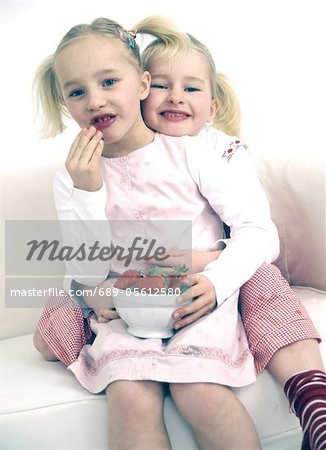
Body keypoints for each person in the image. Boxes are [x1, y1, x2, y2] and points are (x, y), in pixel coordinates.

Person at [31, 15, 283, 450]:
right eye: (76, 92)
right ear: (65, 105)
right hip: (127, 312)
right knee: (129, 396)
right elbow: (89, 274)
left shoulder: (190, 152)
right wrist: (89, 191)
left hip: (195, 302)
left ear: (143, 84)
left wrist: (217, 282)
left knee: (201, 394)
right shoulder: (71, 178)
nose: (94, 100)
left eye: (109, 81)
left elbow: (256, 230)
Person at [139, 31, 326, 450]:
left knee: (261, 277)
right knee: (72, 302)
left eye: (191, 87)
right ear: (140, 92)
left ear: (213, 105)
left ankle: (317, 408)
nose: (175, 97)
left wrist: (211, 264)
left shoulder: (218, 151)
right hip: (145, 284)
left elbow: (260, 233)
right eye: (161, 85)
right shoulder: (121, 156)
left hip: (222, 275)